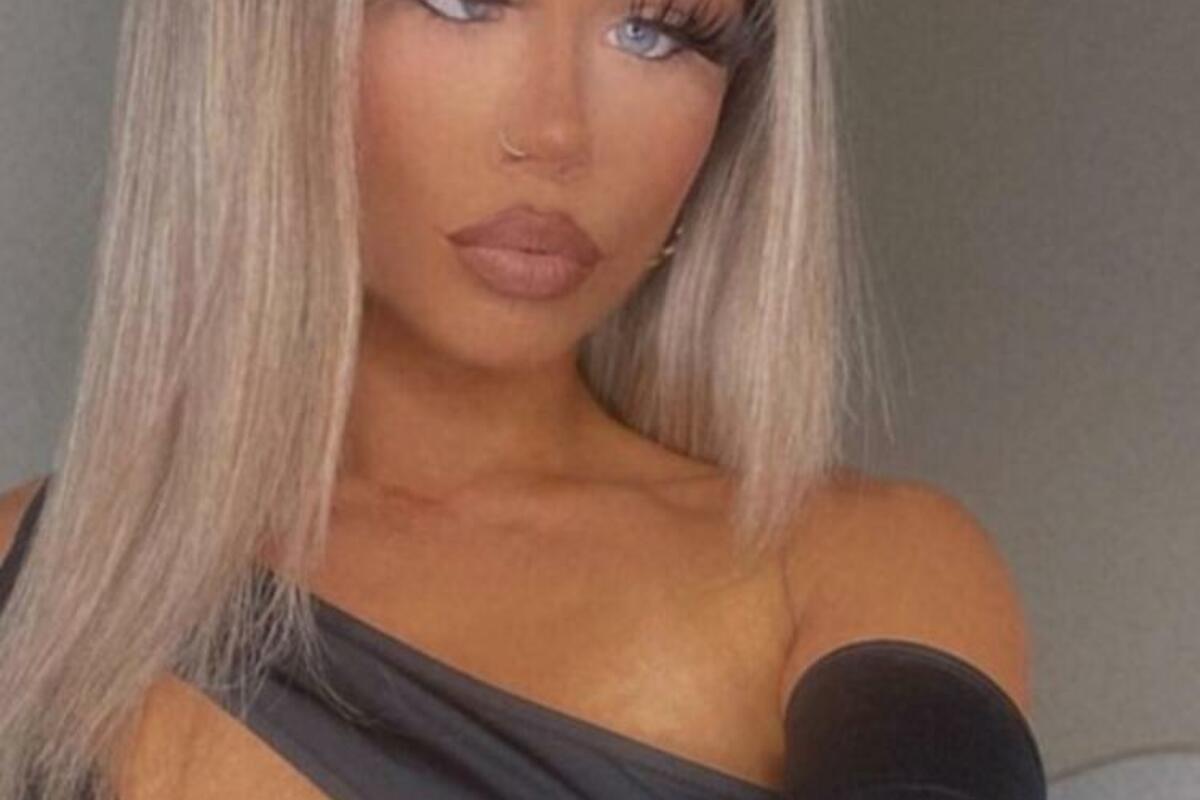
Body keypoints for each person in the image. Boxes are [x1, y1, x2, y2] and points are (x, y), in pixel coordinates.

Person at [0, 1, 1046, 798]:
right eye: (463, 2)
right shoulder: (32, 586)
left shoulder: (856, 566)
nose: (555, 133)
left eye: (654, 31)